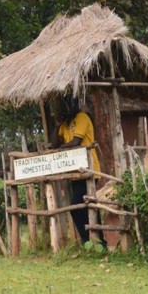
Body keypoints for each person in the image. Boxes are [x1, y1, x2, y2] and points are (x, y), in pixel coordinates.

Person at [59, 99, 99, 243]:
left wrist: (60, 148)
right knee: (87, 206)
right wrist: (59, 124)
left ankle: (88, 240)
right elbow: (55, 142)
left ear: (75, 105)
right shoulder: (66, 123)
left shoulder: (82, 118)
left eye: (68, 104)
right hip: (75, 172)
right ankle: (95, 240)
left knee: (79, 206)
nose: (65, 108)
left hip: (88, 168)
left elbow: (76, 142)